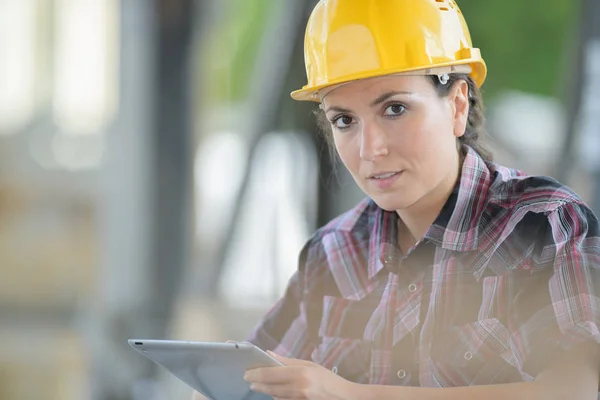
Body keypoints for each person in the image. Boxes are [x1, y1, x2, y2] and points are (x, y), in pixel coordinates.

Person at [194, 0, 600, 399]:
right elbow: (254, 378)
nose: (371, 149)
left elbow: (576, 390)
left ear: (457, 105)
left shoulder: (543, 226)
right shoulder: (333, 255)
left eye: (395, 108)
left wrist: (354, 395)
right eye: (344, 120)